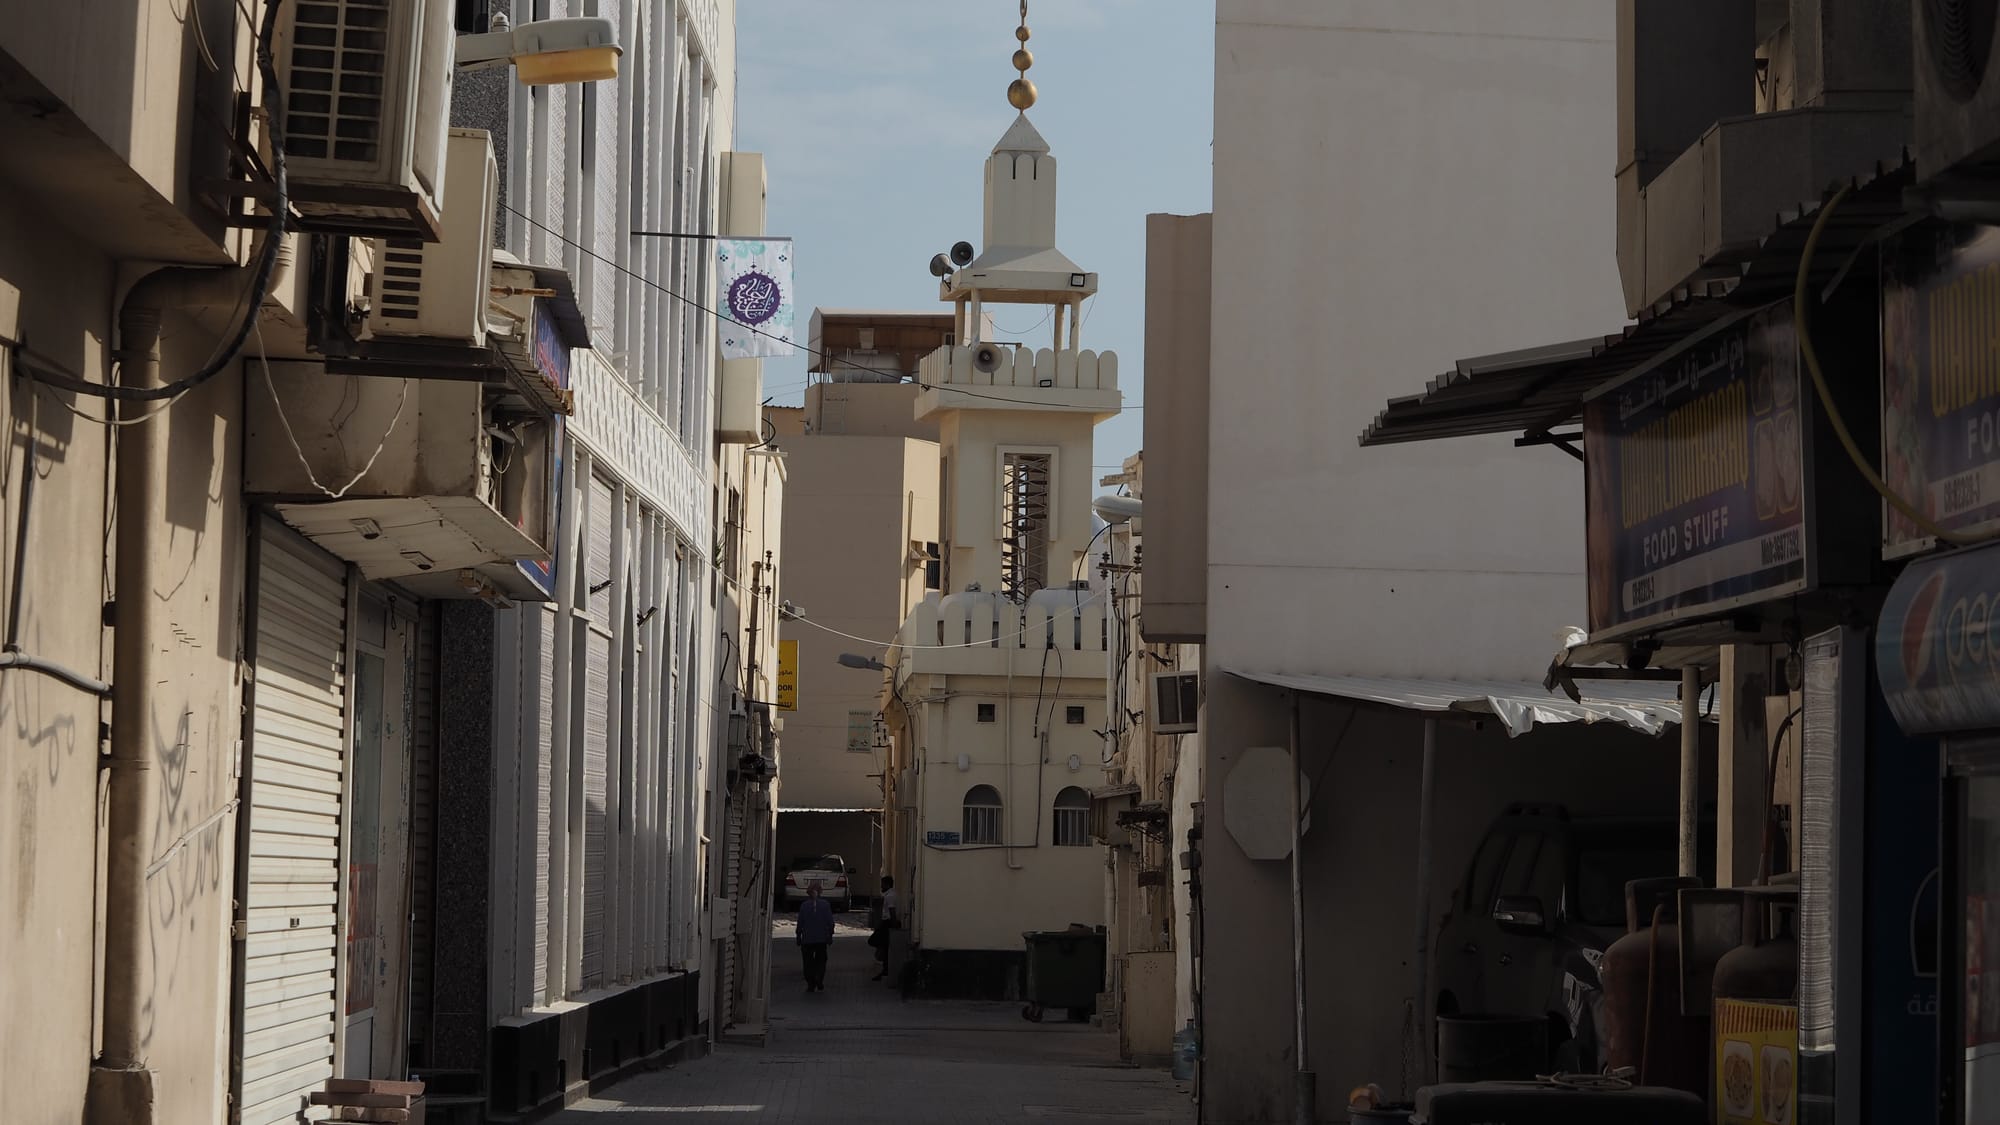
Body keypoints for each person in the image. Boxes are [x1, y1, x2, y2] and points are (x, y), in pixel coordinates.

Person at [796, 881, 835, 992]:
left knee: (807, 962)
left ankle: (811, 983)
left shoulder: (804, 906)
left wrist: (798, 936)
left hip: (807, 939)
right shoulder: (825, 905)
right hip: (821, 938)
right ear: (820, 892)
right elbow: (830, 922)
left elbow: (800, 922)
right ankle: (819, 977)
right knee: (821, 960)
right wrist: (830, 935)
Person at [869, 875, 900, 981]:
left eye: (882, 884)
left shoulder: (890, 896)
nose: (881, 887)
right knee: (884, 946)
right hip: (887, 922)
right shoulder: (892, 894)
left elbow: (892, 911)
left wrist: (893, 927)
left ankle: (885, 966)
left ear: (887, 884)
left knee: (877, 942)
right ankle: (885, 968)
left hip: (888, 923)